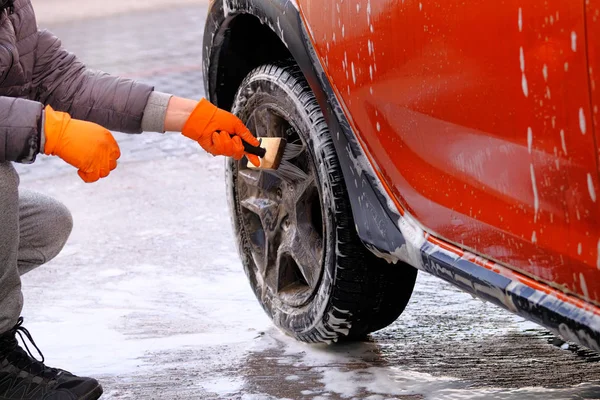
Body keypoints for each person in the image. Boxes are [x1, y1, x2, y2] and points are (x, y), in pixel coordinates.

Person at [0, 0, 261, 398]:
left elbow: (70, 83)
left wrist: (189, 117)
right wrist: (47, 129)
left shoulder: (11, 12)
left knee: (44, 225)